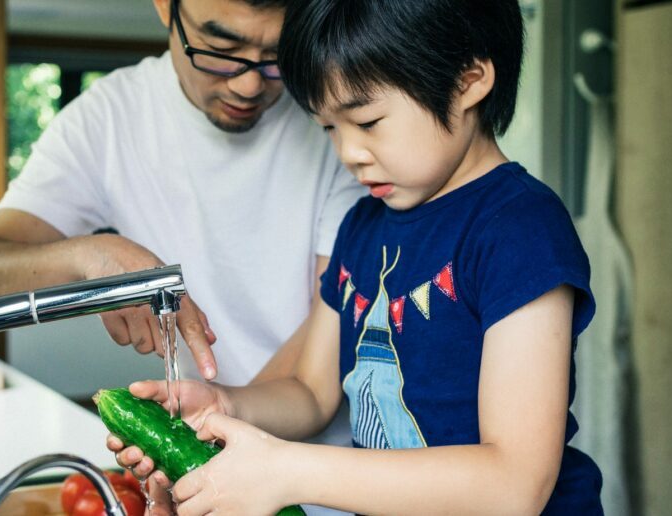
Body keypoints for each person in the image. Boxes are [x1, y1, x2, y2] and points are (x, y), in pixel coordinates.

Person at [111, 0, 604, 514]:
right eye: (329, 127)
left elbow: (514, 483)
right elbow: (311, 391)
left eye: (367, 121)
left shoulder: (519, 227)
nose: (348, 153)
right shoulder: (363, 226)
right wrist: (227, 406)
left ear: (468, 82)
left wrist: (287, 472)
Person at [0, 3, 361, 408]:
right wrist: (92, 257)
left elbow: (320, 347)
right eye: (220, 49)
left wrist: (220, 433)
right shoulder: (107, 119)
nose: (248, 85)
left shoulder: (338, 119)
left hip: (322, 456)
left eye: (276, 55)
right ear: (165, 7)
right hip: (213, 442)